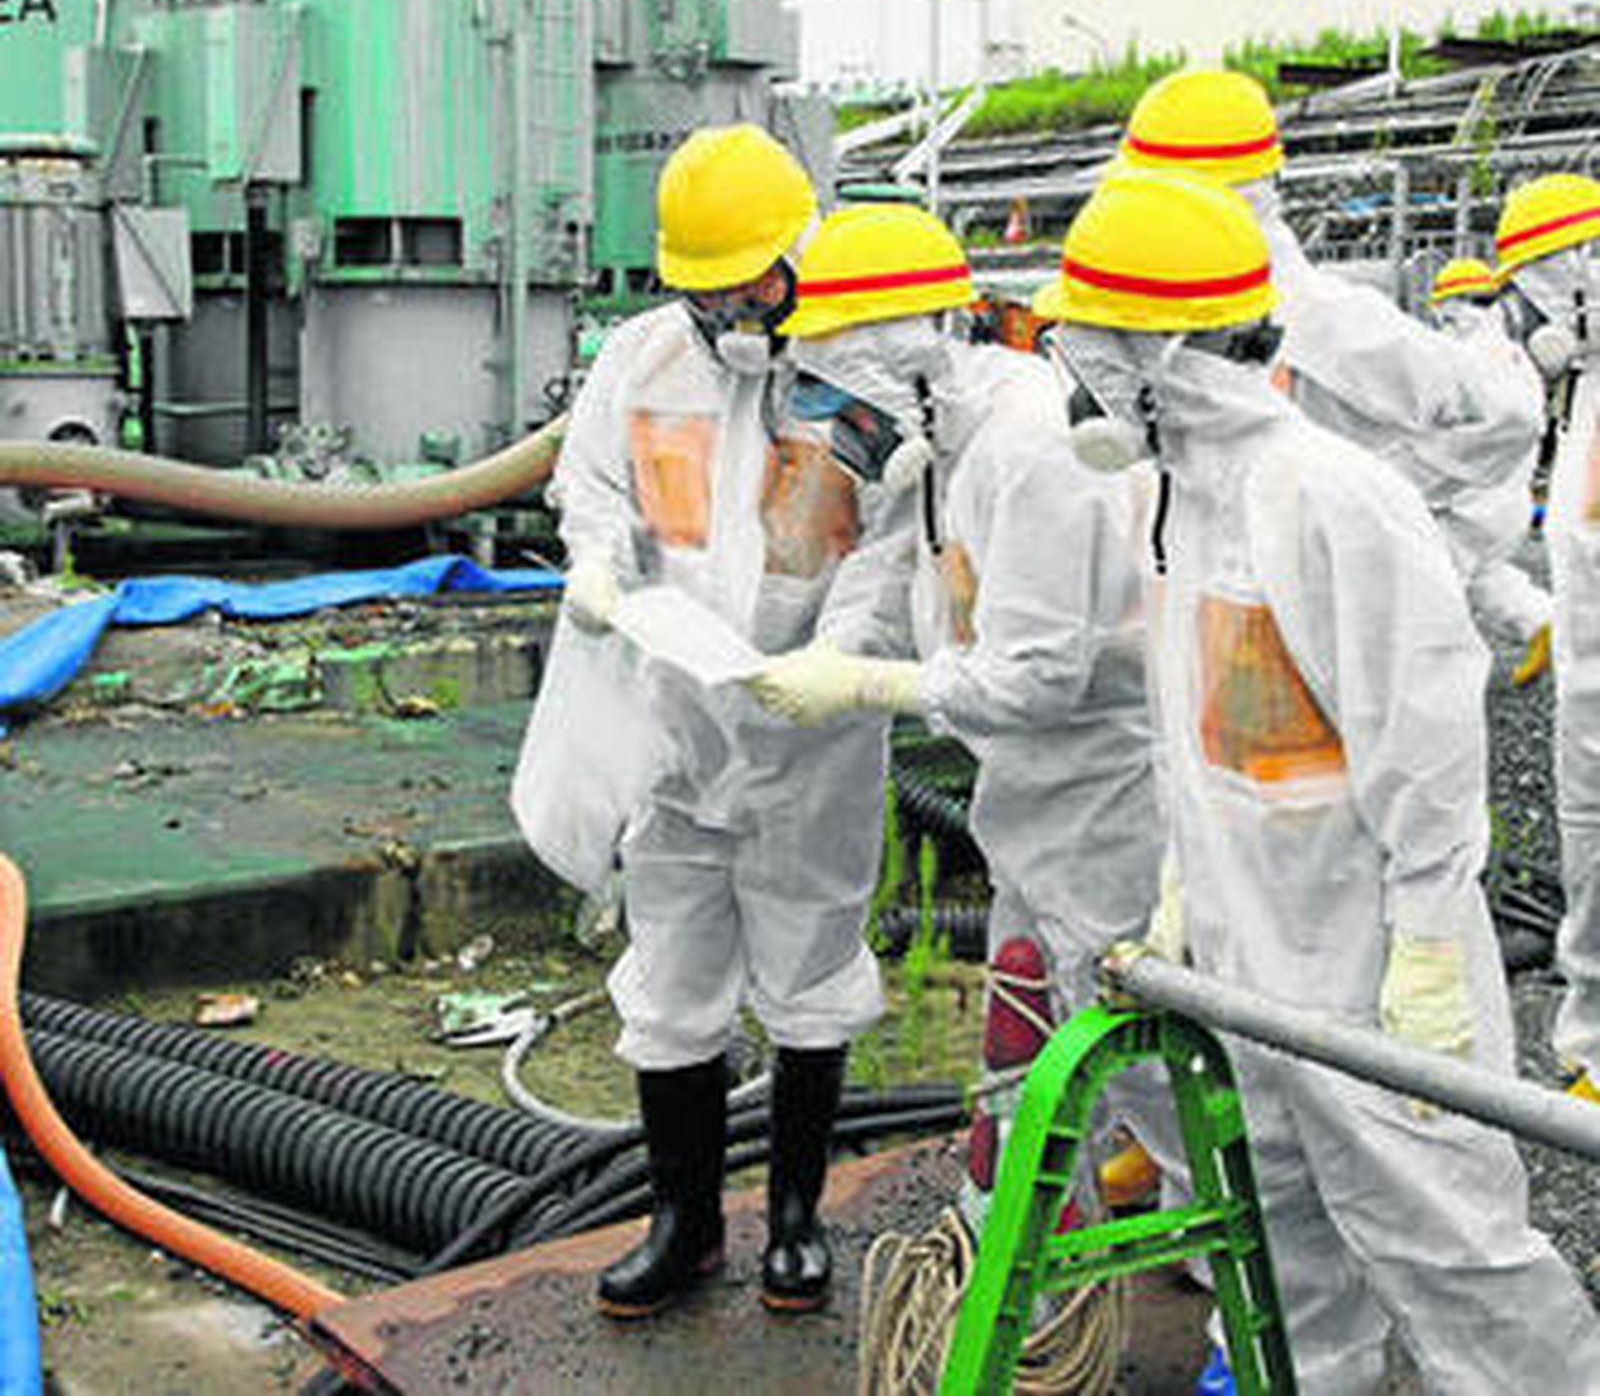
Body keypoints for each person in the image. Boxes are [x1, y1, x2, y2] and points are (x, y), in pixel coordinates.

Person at [1030, 164, 1600, 1394]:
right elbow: (1202, 741)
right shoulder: (1174, 495)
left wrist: (1432, 954)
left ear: (1168, 354)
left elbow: (1428, 748)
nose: (1075, 376)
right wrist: (1183, 900)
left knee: (1452, 1254)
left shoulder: (1331, 498)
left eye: (1096, 345)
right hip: (1245, 969)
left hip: (1366, 973)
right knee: (1275, 1247)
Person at [543, 123, 912, 1318]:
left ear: (794, 252)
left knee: (811, 973)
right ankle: (683, 1221)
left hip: (811, 736)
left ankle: (794, 1222)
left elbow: (896, 539)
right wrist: (597, 566)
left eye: (748, 282)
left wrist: (842, 657)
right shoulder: (643, 363)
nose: (730, 309)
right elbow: (590, 483)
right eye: (707, 291)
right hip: (676, 725)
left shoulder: (862, 368)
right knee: (673, 977)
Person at [743, 201, 1171, 1212]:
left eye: (835, 383)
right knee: (1035, 1009)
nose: (826, 415)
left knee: (1134, 1028)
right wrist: (832, 649)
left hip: (1106, 792)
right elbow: (893, 570)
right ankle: (1026, 1224)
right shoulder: (939, 437)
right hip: (1031, 792)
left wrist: (868, 686)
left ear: (898, 359)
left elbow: (1037, 678)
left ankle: (1239, 1304)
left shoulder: (1031, 452)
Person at [1117, 68, 1550, 678]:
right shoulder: (1170, 320)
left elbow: (1508, 417)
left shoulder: (1329, 323)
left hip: (1338, 614)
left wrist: (1374, 495)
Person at [1494, 172, 1600, 1101]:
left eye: (1535, 285)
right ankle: (1594, 1050)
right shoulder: (1585, 394)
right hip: (1587, 692)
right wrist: (1551, 620)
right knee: (1588, 857)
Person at [1426, 256, 1552, 678]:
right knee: (1485, 575)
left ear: (1452, 307)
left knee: (1430, 586)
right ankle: (1541, 623)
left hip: (1470, 504)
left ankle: (1438, 677)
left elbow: (1445, 440)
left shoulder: (1465, 360)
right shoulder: (1514, 354)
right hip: (1507, 503)